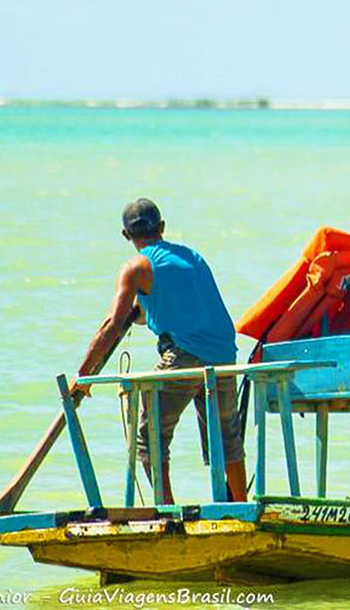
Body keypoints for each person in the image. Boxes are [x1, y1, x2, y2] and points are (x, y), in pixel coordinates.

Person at [74, 198, 246, 504]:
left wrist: (84, 374)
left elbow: (113, 324)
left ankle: (165, 508)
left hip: (185, 355)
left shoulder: (136, 268)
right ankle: (239, 503)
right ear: (162, 228)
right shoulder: (191, 256)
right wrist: (139, 314)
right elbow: (169, 308)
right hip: (223, 353)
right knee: (225, 439)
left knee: (149, 436)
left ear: (126, 236)